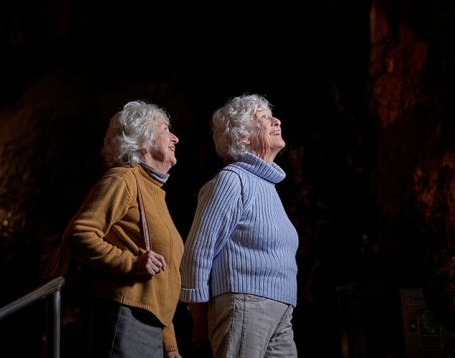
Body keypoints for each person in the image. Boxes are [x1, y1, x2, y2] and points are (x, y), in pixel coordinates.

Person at [60, 100, 185, 358]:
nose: (176, 138)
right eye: (165, 129)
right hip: (125, 317)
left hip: (149, 325)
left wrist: (169, 342)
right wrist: (132, 263)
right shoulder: (124, 179)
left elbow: (164, 277)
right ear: (142, 140)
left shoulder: (154, 192)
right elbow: (78, 234)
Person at [180, 94, 299, 357]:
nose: (276, 120)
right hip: (245, 302)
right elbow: (198, 252)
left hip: (281, 308)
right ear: (243, 136)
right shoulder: (233, 180)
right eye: (264, 118)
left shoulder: (267, 187)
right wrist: (199, 319)